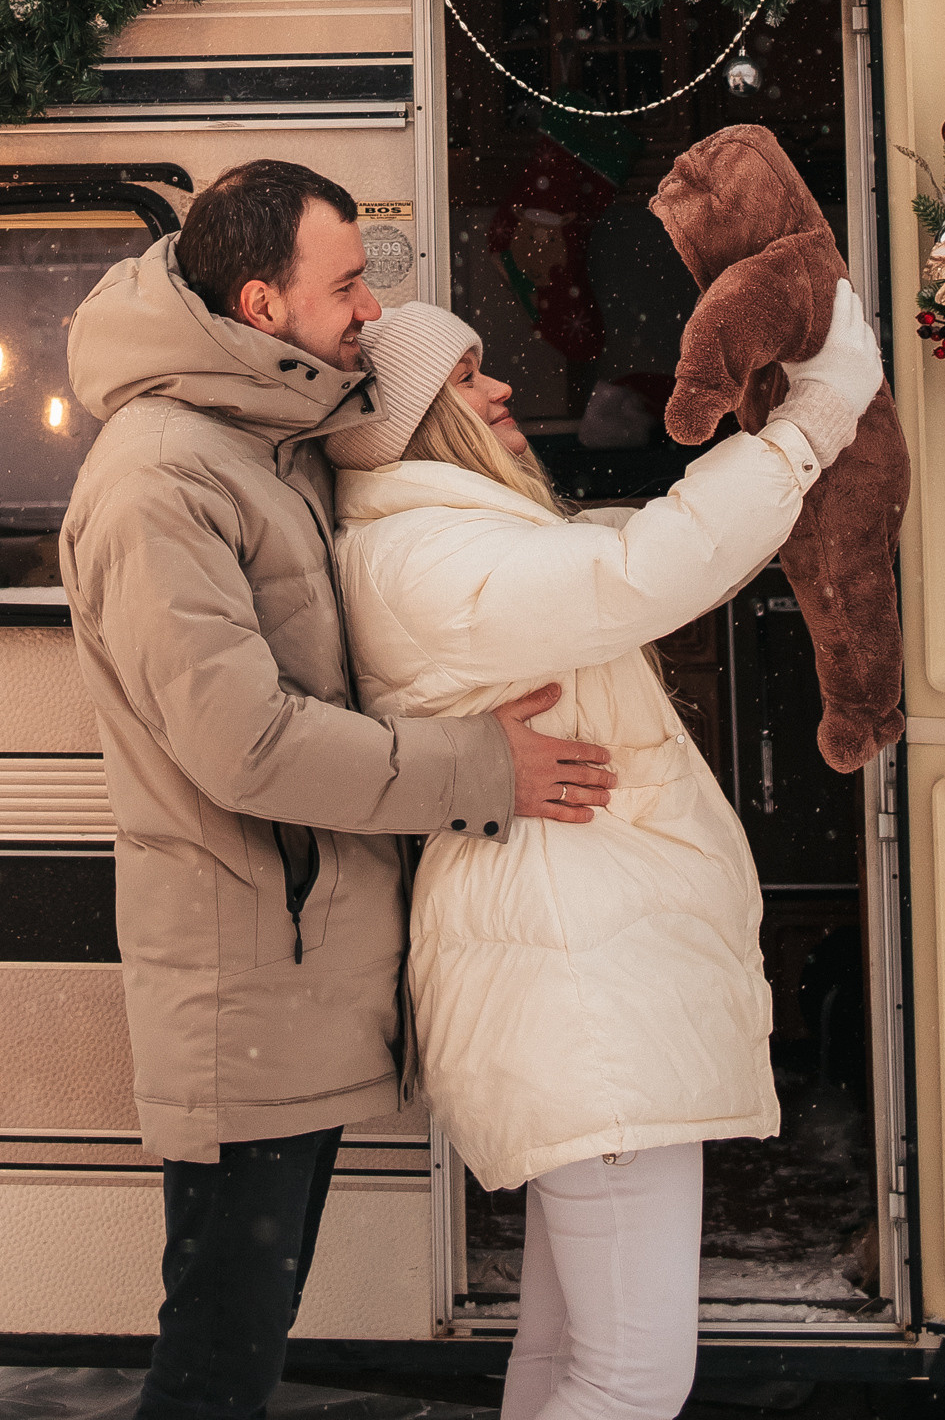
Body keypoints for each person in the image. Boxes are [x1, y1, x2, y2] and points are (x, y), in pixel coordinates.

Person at [60, 160, 618, 1420]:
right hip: (244, 976)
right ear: (262, 303)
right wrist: (484, 771)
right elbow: (245, 742)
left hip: (294, 970)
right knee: (219, 1353)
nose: (372, 309)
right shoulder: (165, 478)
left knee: (237, 1336)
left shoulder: (267, 439)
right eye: (350, 282)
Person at [328, 285, 889, 1420]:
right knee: (634, 1378)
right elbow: (639, 576)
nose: (501, 390)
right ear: (412, 424)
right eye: (468, 379)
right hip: (582, 977)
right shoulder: (427, 556)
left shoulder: (446, 539)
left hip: (568, 964)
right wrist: (811, 424)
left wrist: (783, 469)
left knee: (570, 1354)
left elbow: (655, 567)